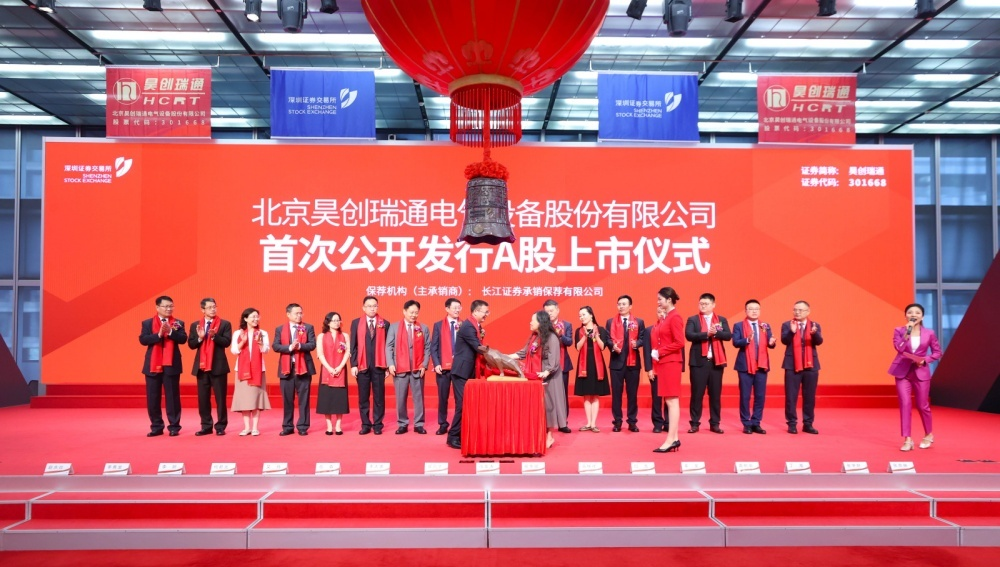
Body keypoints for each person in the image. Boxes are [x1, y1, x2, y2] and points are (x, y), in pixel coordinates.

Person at [888, 303, 942, 451]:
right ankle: (907, 439)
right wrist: (907, 333)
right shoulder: (899, 331)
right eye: (910, 312)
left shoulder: (929, 333)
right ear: (905, 316)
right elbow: (899, 348)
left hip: (920, 371)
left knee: (922, 405)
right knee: (905, 403)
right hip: (902, 371)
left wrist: (925, 360)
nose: (913, 315)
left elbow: (937, 352)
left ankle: (928, 434)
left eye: (917, 313)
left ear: (922, 317)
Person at [512, 310, 566, 449]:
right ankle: (540, 433)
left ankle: (550, 436)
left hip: (550, 376)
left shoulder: (552, 337)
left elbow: (554, 360)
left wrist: (546, 372)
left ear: (541, 322)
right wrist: (506, 356)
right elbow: (523, 353)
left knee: (549, 406)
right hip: (536, 376)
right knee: (539, 406)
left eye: (533, 320)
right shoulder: (534, 337)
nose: (530, 323)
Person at [139, 295, 187, 437]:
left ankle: (174, 427)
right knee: (153, 397)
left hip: (171, 365)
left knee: (172, 397)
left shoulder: (177, 323)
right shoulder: (147, 323)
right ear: (157, 307)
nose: (169, 309)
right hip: (152, 365)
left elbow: (183, 339)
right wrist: (159, 335)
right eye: (166, 306)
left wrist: (170, 332)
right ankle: (156, 427)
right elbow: (143, 340)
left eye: (171, 306)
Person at [446, 299, 490, 450]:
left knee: (466, 404)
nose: (486, 315)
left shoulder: (474, 325)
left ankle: (460, 434)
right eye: (485, 312)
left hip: (467, 371)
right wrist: (496, 355)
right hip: (461, 372)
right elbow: (478, 347)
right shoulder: (468, 326)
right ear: (476, 311)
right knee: (462, 404)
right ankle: (453, 436)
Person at [685, 292, 731, 434]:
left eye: (706, 304)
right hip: (698, 362)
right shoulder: (693, 319)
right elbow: (689, 335)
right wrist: (706, 334)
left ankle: (715, 423)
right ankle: (694, 423)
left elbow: (728, 335)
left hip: (716, 362)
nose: (703, 306)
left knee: (715, 395)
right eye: (701, 303)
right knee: (697, 394)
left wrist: (715, 333)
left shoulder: (721, 320)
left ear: (713, 305)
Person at [187, 297, 232, 436]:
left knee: (220, 399)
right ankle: (206, 426)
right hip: (201, 368)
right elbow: (191, 344)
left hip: (218, 366)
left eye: (214, 307)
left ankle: (221, 426)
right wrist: (200, 338)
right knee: (203, 399)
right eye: (209, 307)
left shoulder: (224, 324)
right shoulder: (195, 325)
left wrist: (214, 336)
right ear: (203, 310)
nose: (213, 309)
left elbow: (227, 342)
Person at [731, 299, 777, 435]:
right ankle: (746, 423)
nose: (754, 311)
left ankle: (756, 422)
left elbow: (770, 343)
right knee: (745, 396)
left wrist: (772, 343)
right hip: (745, 366)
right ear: (746, 311)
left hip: (761, 365)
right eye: (751, 309)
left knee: (760, 396)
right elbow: (735, 342)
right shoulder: (738, 325)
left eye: (756, 309)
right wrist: (747, 340)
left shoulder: (765, 325)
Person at [386, 300, 432, 435]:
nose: (414, 315)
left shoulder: (423, 328)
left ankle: (419, 424)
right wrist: (390, 364)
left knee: (419, 398)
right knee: (400, 398)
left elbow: (427, 348)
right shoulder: (394, 327)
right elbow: (389, 346)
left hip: (418, 368)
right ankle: (402, 423)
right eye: (411, 312)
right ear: (404, 311)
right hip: (400, 368)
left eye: (416, 312)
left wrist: (424, 365)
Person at [273, 303, 316, 436]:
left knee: (304, 399)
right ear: (288, 314)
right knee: (287, 399)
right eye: (296, 313)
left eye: (301, 313)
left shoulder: (308, 327)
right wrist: (290, 347)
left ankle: (303, 426)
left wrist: (300, 346)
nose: (299, 315)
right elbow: (276, 346)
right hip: (287, 369)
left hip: (304, 368)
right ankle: (287, 426)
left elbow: (312, 344)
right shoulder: (280, 329)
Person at [781, 300, 824, 435]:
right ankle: (792, 423)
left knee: (809, 396)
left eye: (800, 310)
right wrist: (791, 332)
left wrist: (814, 334)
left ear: (808, 311)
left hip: (811, 365)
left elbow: (819, 342)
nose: (797, 312)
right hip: (791, 365)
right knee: (791, 396)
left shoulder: (815, 325)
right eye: (795, 310)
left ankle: (808, 424)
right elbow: (784, 341)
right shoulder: (787, 324)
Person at [606, 294, 646, 432]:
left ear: (630, 306)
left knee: (632, 394)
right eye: (619, 304)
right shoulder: (610, 322)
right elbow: (607, 339)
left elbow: (642, 338)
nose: (621, 306)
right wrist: (613, 346)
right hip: (616, 363)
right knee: (616, 395)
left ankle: (632, 422)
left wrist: (637, 344)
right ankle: (617, 422)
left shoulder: (639, 322)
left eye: (624, 304)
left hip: (633, 363)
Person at [350, 296, 389, 435]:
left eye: (375, 306)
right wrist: (353, 364)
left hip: (379, 366)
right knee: (363, 397)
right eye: (369, 306)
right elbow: (353, 345)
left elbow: (388, 347)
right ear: (364, 308)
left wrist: (387, 366)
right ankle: (365, 424)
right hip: (362, 365)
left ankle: (378, 424)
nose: (372, 308)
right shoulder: (356, 323)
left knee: (379, 397)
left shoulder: (385, 323)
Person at [652, 287, 685, 453]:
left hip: (671, 362)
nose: (658, 302)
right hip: (665, 362)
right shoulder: (666, 317)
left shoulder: (675, 317)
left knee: (672, 401)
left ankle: (670, 439)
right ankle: (675, 437)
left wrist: (661, 351)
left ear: (669, 299)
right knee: (669, 400)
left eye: (660, 299)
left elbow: (680, 342)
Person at [230, 307, 271, 436]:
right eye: (253, 316)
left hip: (258, 370)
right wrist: (242, 341)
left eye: (257, 316)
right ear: (246, 318)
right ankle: (246, 427)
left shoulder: (262, 333)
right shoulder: (238, 333)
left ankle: (255, 427)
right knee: (245, 399)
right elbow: (234, 351)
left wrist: (260, 344)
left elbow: (266, 350)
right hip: (242, 370)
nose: (255, 319)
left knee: (255, 399)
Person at [574, 306, 610, 432]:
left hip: (596, 364)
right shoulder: (579, 331)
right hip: (584, 364)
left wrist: (597, 336)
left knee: (595, 395)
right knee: (586, 395)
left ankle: (594, 423)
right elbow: (577, 347)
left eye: (583, 314)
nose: (581, 317)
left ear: (591, 315)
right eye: (580, 315)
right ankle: (588, 423)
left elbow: (602, 347)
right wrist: (584, 336)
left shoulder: (600, 329)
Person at [429, 297, 462, 435]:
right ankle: (443, 424)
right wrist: (436, 363)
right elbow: (434, 347)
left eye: (459, 308)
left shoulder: (463, 324)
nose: (457, 310)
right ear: (447, 309)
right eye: (454, 308)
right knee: (443, 398)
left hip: (459, 367)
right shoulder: (438, 325)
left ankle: (458, 425)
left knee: (460, 399)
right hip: (442, 368)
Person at [316, 312, 350, 436]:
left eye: (338, 320)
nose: (336, 322)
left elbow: (347, 352)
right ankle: (329, 426)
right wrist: (330, 368)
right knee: (327, 399)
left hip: (341, 370)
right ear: (328, 322)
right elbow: (320, 354)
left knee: (339, 399)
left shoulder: (345, 336)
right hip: (327, 370)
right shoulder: (321, 336)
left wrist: (340, 367)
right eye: (334, 320)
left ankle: (338, 426)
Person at [543, 299, 574, 433]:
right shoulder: (543, 326)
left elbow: (569, 342)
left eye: (551, 311)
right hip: (547, 365)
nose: (549, 314)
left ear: (557, 310)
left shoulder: (566, 325)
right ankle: (546, 422)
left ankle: (563, 423)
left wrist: (560, 335)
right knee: (546, 395)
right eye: (547, 312)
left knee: (563, 394)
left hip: (563, 364)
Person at [644, 305, 668, 432]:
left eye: (664, 311)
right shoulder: (649, 330)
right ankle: (657, 424)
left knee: (669, 398)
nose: (662, 314)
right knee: (656, 398)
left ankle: (668, 423)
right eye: (659, 312)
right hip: (655, 368)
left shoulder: (672, 328)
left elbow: (680, 348)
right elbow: (647, 350)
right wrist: (649, 369)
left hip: (669, 367)